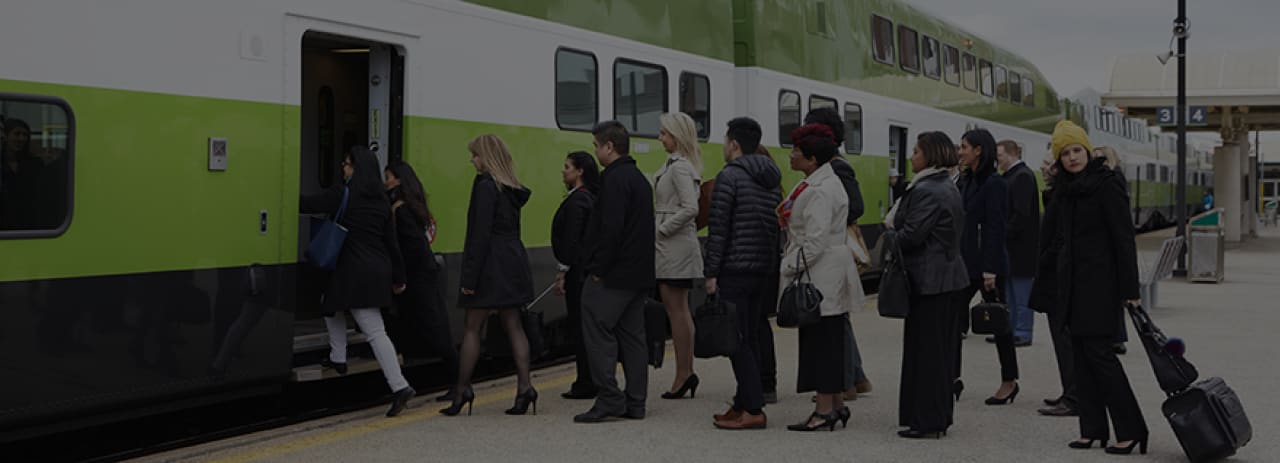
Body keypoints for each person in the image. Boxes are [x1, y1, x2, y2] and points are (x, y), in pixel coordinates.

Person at [1045, 121, 1148, 455]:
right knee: (1080, 358)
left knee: (1101, 357)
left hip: (1101, 286)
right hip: (1072, 287)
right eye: (1065, 153)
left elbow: (1123, 239)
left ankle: (1131, 429)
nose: (1072, 158)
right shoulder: (1065, 189)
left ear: (1087, 151)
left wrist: (1130, 289)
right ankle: (1092, 429)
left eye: (1077, 151)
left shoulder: (1107, 184)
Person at [300, 147, 414, 417]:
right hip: (377, 269)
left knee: (373, 330)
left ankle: (400, 386)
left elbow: (307, 204)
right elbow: (392, 243)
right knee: (329, 303)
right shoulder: (382, 201)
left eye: (347, 164)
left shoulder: (344, 194)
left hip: (354, 271)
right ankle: (338, 358)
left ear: (356, 168)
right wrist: (399, 278)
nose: (343, 168)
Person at [440, 134, 537, 417]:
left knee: (472, 328)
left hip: (489, 264)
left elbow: (479, 236)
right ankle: (525, 388)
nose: (472, 160)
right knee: (514, 325)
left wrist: (469, 279)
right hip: (513, 260)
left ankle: (462, 391)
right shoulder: (512, 188)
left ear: (485, 157)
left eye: (475, 155)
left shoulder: (485, 186)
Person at [779, 123, 863, 432]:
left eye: (796, 152)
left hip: (820, 274)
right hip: (829, 271)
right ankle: (836, 404)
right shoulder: (822, 182)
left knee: (821, 343)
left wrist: (788, 266)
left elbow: (813, 242)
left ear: (811, 159)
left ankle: (824, 410)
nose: (791, 156)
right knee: (830, 340)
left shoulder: (819, 191)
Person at [886, 131, 968, 439]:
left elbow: (911, 236)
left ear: (929, 155)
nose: (911, 156)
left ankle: (927, 420)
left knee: (927, 353)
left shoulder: (928, 190)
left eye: (916, 152)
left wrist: (890, 234)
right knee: (938, 352)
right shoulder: (944, 185)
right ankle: (932, 416)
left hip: (931, 280)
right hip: (945, 278)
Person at [574, 121, 656, 423]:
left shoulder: (614, 179)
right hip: (638, 275)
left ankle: (609, 397)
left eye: (597, 145)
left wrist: (598, 268)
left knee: (597, 330)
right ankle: (636, 403)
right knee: (633, 337)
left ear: (610, 146)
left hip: (614, 275)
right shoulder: (637, 178)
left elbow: (611, 229)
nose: (595, 151)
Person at [705, 117, 782, 429]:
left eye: (725, 141)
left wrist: (711, 273)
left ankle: (752, 409)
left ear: (734, 144)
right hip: (763, 269)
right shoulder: (771, 178)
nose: (724, 147)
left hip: (735, 269)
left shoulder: (729, 177)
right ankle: (742, 402)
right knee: (749, 336)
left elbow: (719, 229)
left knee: (737, 341)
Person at [802, 107, 872, 401]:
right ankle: (854, 376)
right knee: (837, 317)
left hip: (832, 248)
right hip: (832, 246)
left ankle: (847, 381)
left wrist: (827, 217)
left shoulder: (837, 168)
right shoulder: (831, 166)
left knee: (835, 317)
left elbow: (855, 206)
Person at [384, 161, 461, 403]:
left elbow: (412, 248)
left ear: (397, 180)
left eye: (387, 177)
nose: (384, 182)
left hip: (418, 279)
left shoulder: (401, 209)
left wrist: (401, 277)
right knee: (430, 328)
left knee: (436, 330)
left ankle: (458, 382)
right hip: (421, 276)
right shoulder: (410, 205)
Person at [955, 129, 1018, 406]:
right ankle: (951, 378)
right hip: (965, 263)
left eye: (964, 147)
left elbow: (996, 227)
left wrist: (990, 269)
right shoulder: (966, 180)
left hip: (987, 266)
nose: (960, 151)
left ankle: (1009, 380)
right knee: (954, 321)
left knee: (1000, 324)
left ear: (979, 150)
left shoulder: (995, 184)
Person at [653, 112, 704, 399]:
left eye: (664, 133)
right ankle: (685, 372)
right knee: (677, 310)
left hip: (674, 246)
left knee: (677, 311)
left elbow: (690, 208)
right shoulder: (677, 165)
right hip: (672, 245)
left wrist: (662, 229)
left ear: (676, 136)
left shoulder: (680, 168)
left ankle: (684, 373)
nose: (660, 138)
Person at [553, 151, 601, 400]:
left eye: (567, 166)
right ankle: (590, 379)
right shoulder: (588, 198)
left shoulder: (578, 201)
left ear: (579, 171)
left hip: (577, 275)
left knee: (581, 329)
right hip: (584, 272)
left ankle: (586, 382)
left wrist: (562, 272)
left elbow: (571, 242)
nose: (564, 171)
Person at [995, 140, 1039, 347]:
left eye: (1000, 155)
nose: (998, 160)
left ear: (1012, 154)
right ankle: (1011, 330)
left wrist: (1002, 234)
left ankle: (1022, 332)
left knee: (1021, 295)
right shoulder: (1015, 176)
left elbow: (1020, 214)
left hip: (1020, 247)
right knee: (1011, 294)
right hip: (1013, 247)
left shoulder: (1022, 177)